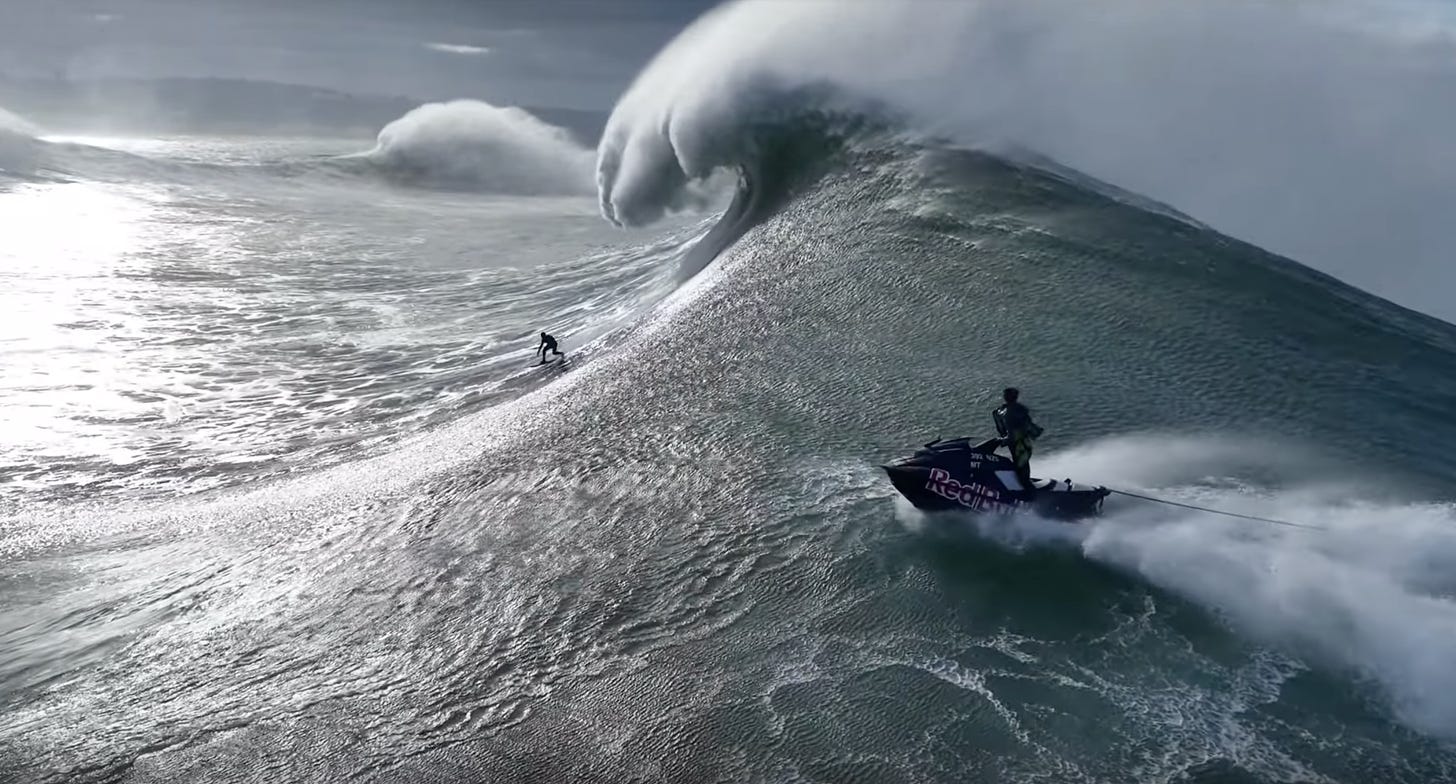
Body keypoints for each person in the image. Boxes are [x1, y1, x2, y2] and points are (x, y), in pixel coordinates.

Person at [992, 387, 1043, 494]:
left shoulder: (1015, 411)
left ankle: (1031, 496)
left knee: (1022, 471)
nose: (1005, 396)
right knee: (1019, 468)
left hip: (1021, 445)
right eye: (1005, 394)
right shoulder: (1004, 410)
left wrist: (1004, 440)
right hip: (1016, 444)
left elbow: (1021, 429)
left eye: (1007, 394)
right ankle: (1023, 487)